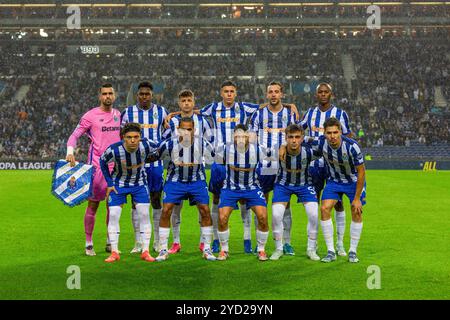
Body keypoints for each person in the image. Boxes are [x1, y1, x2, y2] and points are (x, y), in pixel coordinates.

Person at [296, 82, 353, 257]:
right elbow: (299, 129)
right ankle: (312, 246)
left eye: (326, 92)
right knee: (314, 206)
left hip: (333, 166)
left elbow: (348, 135)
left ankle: (339, 243)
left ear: (331, 94)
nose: (323, 94)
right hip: (314, 167)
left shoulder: (340, 114)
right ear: (316, 95)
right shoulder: (311, 113)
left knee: (338, 205)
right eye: (320, 92)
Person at [65, 83, 122, 256]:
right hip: (97, 167)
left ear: (115, 95)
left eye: (110, 93)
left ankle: (110, 240)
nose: (107, 96)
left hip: (116, 167)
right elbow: (74, 135)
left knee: (113, 207)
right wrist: (70, 152)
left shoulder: (119, 115)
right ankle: (88, 243)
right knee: (93, 204)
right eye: (104, 93)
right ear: (100, 96)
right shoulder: (90, 115)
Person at [153, 116, 216, 261]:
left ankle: (207, 248)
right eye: (183, 129)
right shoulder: (168, 144)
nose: (186, 132)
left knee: (205, 210)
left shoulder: (202, 143)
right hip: (175, 181)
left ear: (194, 130)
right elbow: (155, 156)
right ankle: (163, 249)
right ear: (178, 130)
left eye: (189, 129)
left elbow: (215, 157)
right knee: (166, 209)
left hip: (197, 181)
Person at [162, 89, 214, 254]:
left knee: (203, 208)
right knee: (175, 208)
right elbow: (165, 141)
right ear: (179, 103)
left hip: (196, 171)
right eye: (183, 101)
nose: (186, 103)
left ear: (193, 102)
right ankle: (176, 242)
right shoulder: (172, 121)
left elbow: (209, 140)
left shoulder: (202, 121)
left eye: (189, 100)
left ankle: (203, 242)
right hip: (175, 172)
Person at [249, 81, 298, 255]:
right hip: (263, 165)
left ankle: (287, 242)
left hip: (284, 165)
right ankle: (259, 243)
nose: (274, 95)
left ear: (282, 94)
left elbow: (296, 136)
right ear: (267, 95)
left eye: (277, 92)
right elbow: (252, 138)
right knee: (259, 203)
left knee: (285, 204)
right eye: (271, 92)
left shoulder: (290, 114)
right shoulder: (259, 114)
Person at [121, 81, 169, 253]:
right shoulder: (128, 113)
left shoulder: (161, 112)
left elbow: (167, 135)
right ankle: (139, 242)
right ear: (137, 95)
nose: (144, 97)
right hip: (136, 165)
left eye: (147, 94)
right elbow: (122, 137)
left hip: (155, 165)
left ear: (152, 95)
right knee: (136, 203)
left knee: (156, 200)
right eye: (141, 94)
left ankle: (156, 241)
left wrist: (159, 151)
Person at [99, 122, 158, 263]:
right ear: (123, 138)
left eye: (136, 137)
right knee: (113, 215)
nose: (133, 140)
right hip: (119, 184)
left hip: (140, 184)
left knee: (144, 214)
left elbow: (161, 148)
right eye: (129, 137)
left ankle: (145, 251)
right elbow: (102, 162)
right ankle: (114, 252)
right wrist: (109, 183)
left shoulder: (147, 144)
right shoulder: (114, 150)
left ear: (140, 137)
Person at [312, 117, 366, 263]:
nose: (332, 136)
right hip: (334, 181)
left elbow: (361, 172)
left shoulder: (352, 146)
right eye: (329, 133)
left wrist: (356, 199)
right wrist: (283, 147)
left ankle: (353, 251)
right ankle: (331, 251)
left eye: (335, 132)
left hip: (353, 182)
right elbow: (303, 142)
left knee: (356, 209)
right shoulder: (321, 143)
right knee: (324, 209)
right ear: (324, 133)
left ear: (340, 131)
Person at [216, 124, 272, 262]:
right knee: (222, 218)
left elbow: (275, 155)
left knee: (263, 216)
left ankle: (261, 250)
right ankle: (224, 250)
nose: (240, 139)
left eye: (243, 136)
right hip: (230, 188)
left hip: (252, 188)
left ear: (248, 137)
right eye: (237, 136)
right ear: (233, 138)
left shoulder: (258, 150)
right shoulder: (224, 149)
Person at [271, 124, 320, 261]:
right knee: (276, 215)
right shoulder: (277, 151)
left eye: (297, 137)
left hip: (304, 185)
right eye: (290, 137)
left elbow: (323, 143)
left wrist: (308, 139)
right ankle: (278, 248)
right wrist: (281, 146)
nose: (294, 140)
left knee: (314, 214)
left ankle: (311, 249)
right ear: (286, 138)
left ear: (302, 138)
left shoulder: (309, 152)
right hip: (283, 185)